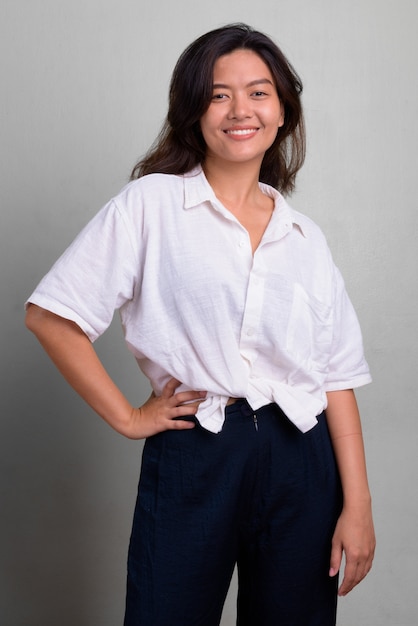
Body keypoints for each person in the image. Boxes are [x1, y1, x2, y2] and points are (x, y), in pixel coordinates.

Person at [25, 23, 375, 626]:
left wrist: (359, 505)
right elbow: (51, 315)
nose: (241, 110)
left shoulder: (305, 239)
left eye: (259, 92)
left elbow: (335, 376)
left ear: (284, 109)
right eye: (218, 94)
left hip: (302, 459)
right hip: (199, 447)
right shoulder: (151, 206)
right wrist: (129, 418)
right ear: (193, 111)